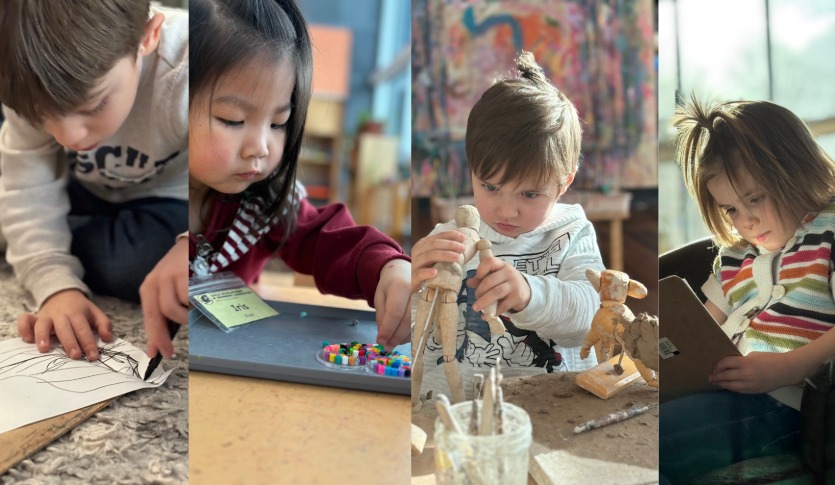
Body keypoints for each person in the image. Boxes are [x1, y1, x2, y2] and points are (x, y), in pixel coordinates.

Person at [187, 0, 411, 349]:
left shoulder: (266, 200)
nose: (260, 147)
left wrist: (386, 268)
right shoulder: (139, 189)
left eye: (279, 123)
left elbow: (328, 237)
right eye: (232, 119)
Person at [0, 0, 189, 362]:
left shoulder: (189, 70)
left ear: (146, 38)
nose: (69, 136)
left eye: (94, 106)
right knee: (23, 207)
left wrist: (192, 244)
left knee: (134, 266)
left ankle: (27, 235)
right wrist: (55, 284)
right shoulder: (24, 79)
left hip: (164, 202)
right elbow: (26, 188)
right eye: (43, 118)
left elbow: (239, 187)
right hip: (81, 186)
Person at [410, 51, 605, 402]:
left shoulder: (571, 232)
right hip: (456, 411)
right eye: (490, 186)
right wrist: (409, 285)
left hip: (553, 409)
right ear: (472, 169)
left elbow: (592, 314)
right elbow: (411, 331)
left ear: (564, 183)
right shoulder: (445, 239)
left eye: (529, 194)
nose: (506, 210)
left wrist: (530, 295)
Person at [661, 96, 835, 482]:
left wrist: (787, 367)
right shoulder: (735, 257)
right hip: (719, 395)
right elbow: (695, 331)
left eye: (755, 198)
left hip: (788, 408)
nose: (747, 220)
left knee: (653, 444)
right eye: (731, 210)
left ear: (797, 170)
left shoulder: (829, 232)